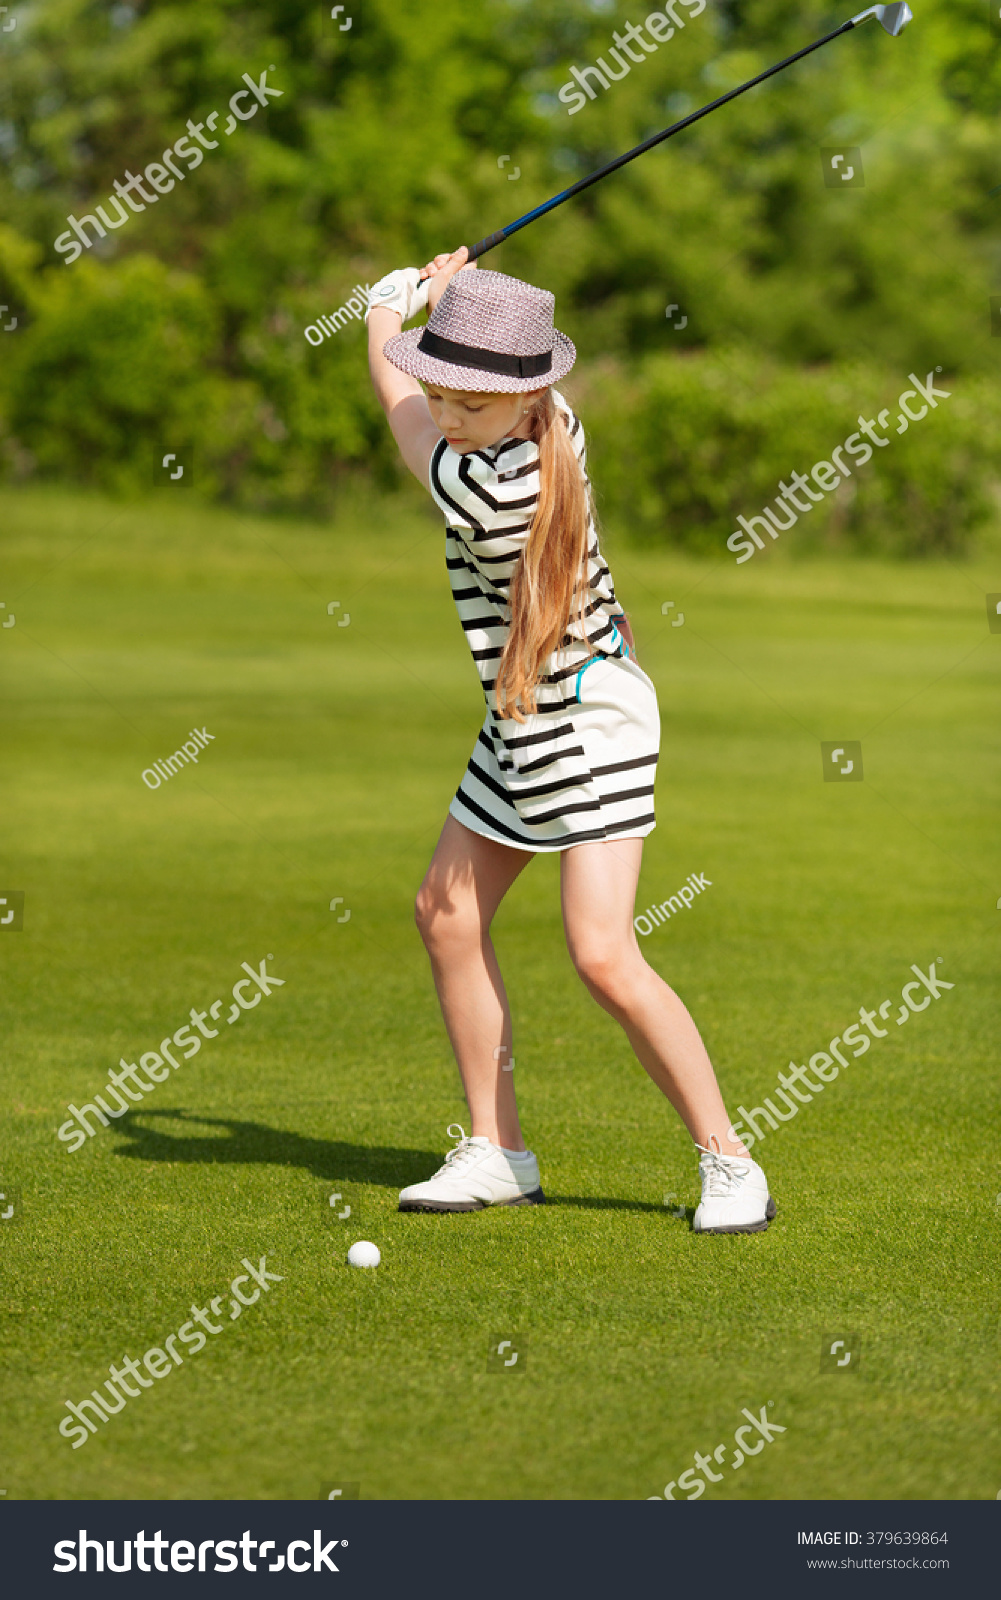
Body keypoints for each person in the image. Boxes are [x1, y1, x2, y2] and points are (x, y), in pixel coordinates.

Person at [364, 247, 775, 1233]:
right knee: (446, 915)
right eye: (445, 390)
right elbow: (426, 392)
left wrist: (385, 309)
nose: (452, 413)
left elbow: (397, 415)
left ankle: (729, 1162)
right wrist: (453, 300)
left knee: (598, 952)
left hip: (584, 719)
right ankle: (496, 1149)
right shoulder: (559, 422)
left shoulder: (487, 491)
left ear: (522, 399)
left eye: (471, 401)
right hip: (527, 709)